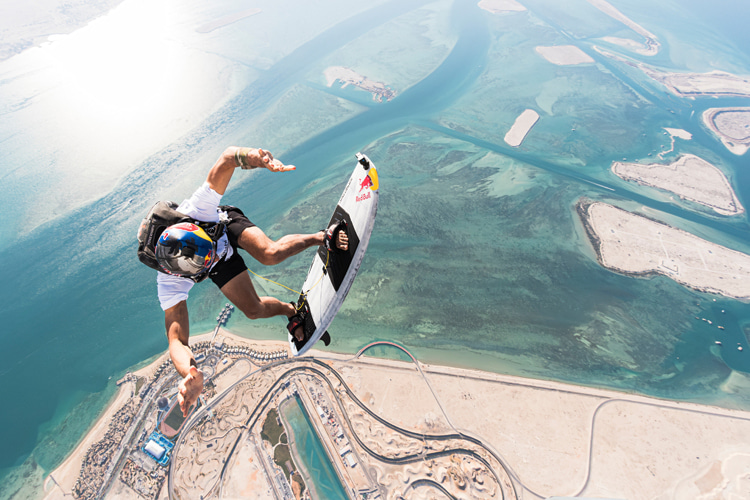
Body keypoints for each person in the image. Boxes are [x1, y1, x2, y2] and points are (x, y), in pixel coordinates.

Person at [154, 147, 348, 416]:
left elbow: (227, 158)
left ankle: (322, 236)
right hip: (217, 260)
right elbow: (176, 340)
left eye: (206, 251)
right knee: (253, 310)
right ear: (184, 273)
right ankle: (292, 311)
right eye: (203, 260)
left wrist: (257, 159)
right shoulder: (169, 281)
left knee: (270, 254)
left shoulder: (197, 209)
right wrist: (191, 372)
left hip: (221, 225)